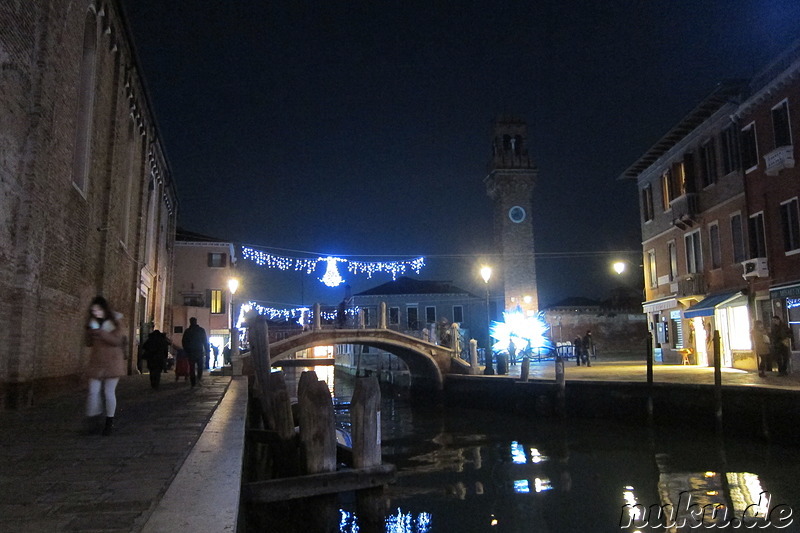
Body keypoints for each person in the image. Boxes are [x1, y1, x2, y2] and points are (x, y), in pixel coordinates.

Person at [84, 296, 126, 436]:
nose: (95, 312)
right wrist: (90, 333)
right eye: (93, 310)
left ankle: (109, 422)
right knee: (93, 392)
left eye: (98, 309)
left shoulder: (115, 321)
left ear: (104, 309)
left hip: (112, 362)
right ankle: (93, 420)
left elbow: (117, 341)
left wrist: (101, 333)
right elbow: (88, 343)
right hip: (97, 362)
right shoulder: (92, 322)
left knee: (109, 393)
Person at [182, 317, 209, 387]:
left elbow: (184, 342)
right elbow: (205, 341)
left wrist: (186, 350)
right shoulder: (201, 330)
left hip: (191, 352)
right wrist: (207, 350)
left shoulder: (188, 331)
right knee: (200, 367)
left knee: (192, 367)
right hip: (199, 351)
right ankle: (198, 379)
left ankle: (193, 382)